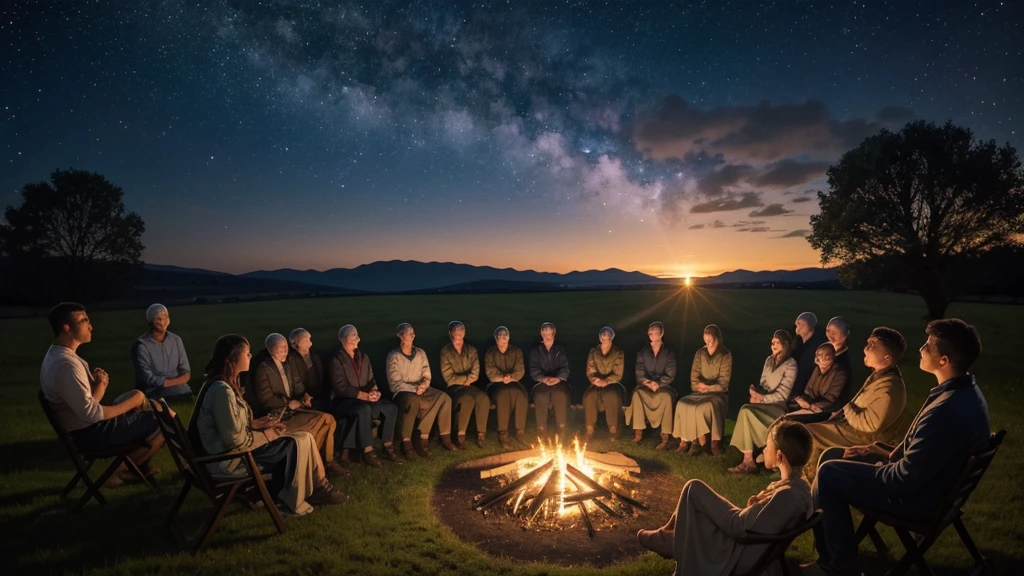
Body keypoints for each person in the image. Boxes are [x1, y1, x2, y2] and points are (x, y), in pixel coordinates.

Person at [804, 319, 990, 576]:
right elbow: (924, 452)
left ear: (944, 360)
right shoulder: (964, 392)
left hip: (918, 500)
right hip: (935, 488)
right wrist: (880, 451)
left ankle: (837, 565)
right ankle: (830, 556)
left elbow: (904, 478)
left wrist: (879, 466)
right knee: (833, 454)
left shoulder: (945, 410)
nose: (921, 349)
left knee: (828, 473)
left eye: (928, 346)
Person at [191, 334, 345, 516]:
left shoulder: (222, 385)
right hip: (230, 460)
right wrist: (266, 435)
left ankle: (314, 487)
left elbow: (229, 424)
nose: (250, 356)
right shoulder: (221, 391)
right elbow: (233, 439)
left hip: (231, 452)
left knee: (305, 437)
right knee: (293, 444)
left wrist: (255, 423)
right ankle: (286, 498)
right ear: (232, 359)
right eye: (246, 353)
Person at [636, 419, 814, 575]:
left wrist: (737, 509)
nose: (764, 449)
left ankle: (671, 540)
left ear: (779, 455)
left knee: (694, 488)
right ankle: (670, 537)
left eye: (768, 446)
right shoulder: (797, 487)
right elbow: (756, 522)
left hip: (739, 554)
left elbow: (739, 529)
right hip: (748, 543)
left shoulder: (787, 496)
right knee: (696, 494)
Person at [41, 302, 166, 487]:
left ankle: (140, 467)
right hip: (90, 434)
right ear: (66, 328)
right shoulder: (66, 365)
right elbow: (90, 414)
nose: (90, 326)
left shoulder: (59, 356)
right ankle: (120, 471)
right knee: (162, 419)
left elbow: (85, 404)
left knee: (144, 401)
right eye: (84, 321)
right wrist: (131, 402)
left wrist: (99, 386)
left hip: (83, 428)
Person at [801, 327, 908, 482]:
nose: (866, 347)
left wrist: (847, 407)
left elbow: (871, 424)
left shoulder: (889, 388)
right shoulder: (878, 376)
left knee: (809, 433)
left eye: (873, 344)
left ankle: (808, 482)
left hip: (864, 436)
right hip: (854, 428)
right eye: (868, 342)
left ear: (887, 358)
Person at [248, 333, 343, 477]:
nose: (285, 351)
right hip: (280, 414)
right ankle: (310, 463)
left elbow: (297, 384)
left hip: (297, 408)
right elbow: (265, 399)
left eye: (286, 347)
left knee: (328, 420)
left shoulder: (288, 364)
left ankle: (327, 460)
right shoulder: (264, 369)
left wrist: (304, 396)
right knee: (311, 428)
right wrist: (287, 403)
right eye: (281, 348)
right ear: (271, 350)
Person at [726, 339, 822, 474]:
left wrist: (763, 398)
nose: (773, 345)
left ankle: (750, 460)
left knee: (746, 411)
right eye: (772, 342)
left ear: (785, 345)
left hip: (778, 406)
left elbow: (783, 394)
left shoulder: (791, 364)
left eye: (777, 342)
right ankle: (748, 460)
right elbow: (763, 382)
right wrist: (757, 391)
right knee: (745, 410)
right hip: (765, 402)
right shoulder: (769, 360)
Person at [329, 324, 402, 466]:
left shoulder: (363, 357)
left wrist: (374, 391)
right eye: (351, 337)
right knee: (364, 410)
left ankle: (387, 446)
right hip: (345, 401)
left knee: (390, 408)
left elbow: (370, 379)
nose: (355, 340)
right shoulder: (336, 360)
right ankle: (368, 450)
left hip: (364, 398)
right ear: (342, 340)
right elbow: (341, 388)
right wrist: (364, 396)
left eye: (356, 336)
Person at [387, 323, 457, 458]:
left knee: (444, 398)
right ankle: (406, 442)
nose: (412, 335)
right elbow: (395, 382)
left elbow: (426, 373)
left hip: (421, 388)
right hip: (404, 391)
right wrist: (414, 388)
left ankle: (434, 437)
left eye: (413, 332)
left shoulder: (420, 353)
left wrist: (424, 385)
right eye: (408, 333)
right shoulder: (394, 356)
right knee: (411, 399)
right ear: (400, 336)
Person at [673, 325, 733, 456]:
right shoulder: (700, 353)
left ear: (717, 339)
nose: (708, 344)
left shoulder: (725, 354)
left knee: (701, 407)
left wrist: (709, 388)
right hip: (699, 391)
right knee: (683, 403)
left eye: (711, 341)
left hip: (717, 394)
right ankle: (686, 440)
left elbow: (723, 382)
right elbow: (694, 375)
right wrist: (698, 386)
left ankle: (708, 443)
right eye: (706, 341)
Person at [630, 321, 678, 450]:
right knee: (637, 395)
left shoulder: (668, 352)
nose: (651, 334)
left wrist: (659, 383)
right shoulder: (643, 351)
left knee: (667, 398)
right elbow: (639, 370)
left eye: (654, 331)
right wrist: (647, 382)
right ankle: (638, 431)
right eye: (649, 332)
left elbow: (671, 373)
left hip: (663, 387)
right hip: (646, 385)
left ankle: (665, 436)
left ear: (661, 333)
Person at [440, 321, 488, 448]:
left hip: (469, 385)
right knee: (467, 399)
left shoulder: (471, 350)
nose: (458, 335)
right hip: (455, 387)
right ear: (450, 334)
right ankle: (460, 435)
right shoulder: (446, 351)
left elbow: (476, 371)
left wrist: (469, 379)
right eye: (455, 332)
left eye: (461, 332)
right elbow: (449, 377)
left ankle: (481, 434)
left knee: (483, 398)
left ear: (464, 333)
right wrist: (466, 379)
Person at [130, 303, 193, 401]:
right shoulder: (141, 346)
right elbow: (147, 378)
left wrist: (173, 383)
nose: (163, 322)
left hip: (181, 391)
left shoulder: (176, 340)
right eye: (159, 319)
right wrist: (172, 382)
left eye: (166, 317)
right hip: (154, 393)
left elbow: (186, 372)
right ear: (151, 321)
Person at [484, 326, 528, 448]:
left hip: (513, 382)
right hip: (496, 384)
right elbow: (490, 372)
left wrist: (511, 377)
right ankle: (503, 432)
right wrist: (502, 377)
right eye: (500, 337)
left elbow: (520, 369)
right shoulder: (491, 353)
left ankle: (520, 431)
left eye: (505, 336)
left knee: (520, 396)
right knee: (503, 395)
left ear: (509, 338)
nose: (503, 339)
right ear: (496, 339)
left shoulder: (516, 351)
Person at [783, 343, 849, 424]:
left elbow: (831, 399)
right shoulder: (816, 370)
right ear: (816, 358)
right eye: (820, 357)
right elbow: (808, 391)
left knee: (791, 420)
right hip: (809, 407)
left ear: (833, 358)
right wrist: (799, 399)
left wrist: (812, 406)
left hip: (826, 411)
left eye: (827, 358)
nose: (823, 360)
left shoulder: (839, 373)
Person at [529, 322, 571, 442]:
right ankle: (542, 431)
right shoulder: (536, 350)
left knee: (560, 395)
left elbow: (565, 368)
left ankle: (561, 430)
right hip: (541, 382)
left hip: (558, 382)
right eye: (544, 332)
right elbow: (533, 369)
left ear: (554, 334)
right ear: (541, 334)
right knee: (541, 396)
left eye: (549, 333)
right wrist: (543, 379)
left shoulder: (560, 349)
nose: (547, 335)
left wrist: (558, 378)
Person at [582, 326, 625, 442]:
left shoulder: (618, 353)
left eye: (608, 338)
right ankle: (590, 428)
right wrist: (595, 380)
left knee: (611, 396)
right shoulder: (594, 352)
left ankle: (613, 429)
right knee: (590, 396)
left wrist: (606, 381)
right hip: (597, 383)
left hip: (612, 384)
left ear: (611, 339)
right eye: (603, 338)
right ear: (600, 338)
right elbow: (590, 370)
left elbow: (618, 373)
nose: (605, 340)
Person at [287, 328, 329, 412]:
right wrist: (304, 396)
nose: (309, 343)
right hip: (302, 399)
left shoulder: (314, 357)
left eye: (308, 340)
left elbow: (321, 376)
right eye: (305, 340)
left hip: (318, 396)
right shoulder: (291, 359)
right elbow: (295, 380)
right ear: (295, 344)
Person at [790, 312, 827, 399]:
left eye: (801, 324)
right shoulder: (798, 342)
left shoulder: (816, 347)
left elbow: (805, 371)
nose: (797, 327)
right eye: (797, 324)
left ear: (810, 326)